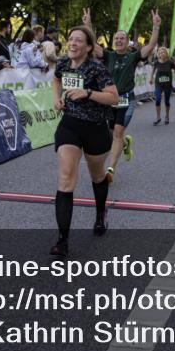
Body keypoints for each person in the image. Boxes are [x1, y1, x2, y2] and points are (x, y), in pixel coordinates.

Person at [50, 26, 119, 256]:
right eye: (70, 39)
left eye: (78, 40)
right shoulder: (62, 63)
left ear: (88, 47)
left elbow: (113, 98)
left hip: (95, 127)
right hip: (70, 124)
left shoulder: (97, 68)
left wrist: (88, 93)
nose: (72, 43)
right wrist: (56, 98)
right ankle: (62, 240)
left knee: (97, 175)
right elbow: (56, 80)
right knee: (66, 175)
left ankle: (100, 215)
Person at [89, 8, 161, 182]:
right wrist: (87, 24)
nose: (119, 40)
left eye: (122, 38)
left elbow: (150, 46)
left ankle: (110, 170)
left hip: (126, 99)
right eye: (117, 38)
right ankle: (125, 143)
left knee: (117, 133)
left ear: (128, 42)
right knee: (111, 134)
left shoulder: (133, 56)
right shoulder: (108, 55)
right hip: (109, 100)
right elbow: (92, 44)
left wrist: (156, 26)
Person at [151, 47, 175, 125]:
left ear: (166, 54)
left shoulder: (170, 62)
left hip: (167, 84)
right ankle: (158, 117)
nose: (162, 54)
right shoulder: (156, 62)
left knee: (167, 101)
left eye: (163, 52)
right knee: (158, 99)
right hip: (158, 84)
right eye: (160, 53)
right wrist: (151, 78)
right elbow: (153, 71)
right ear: (158, 54)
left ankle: (167, 116)